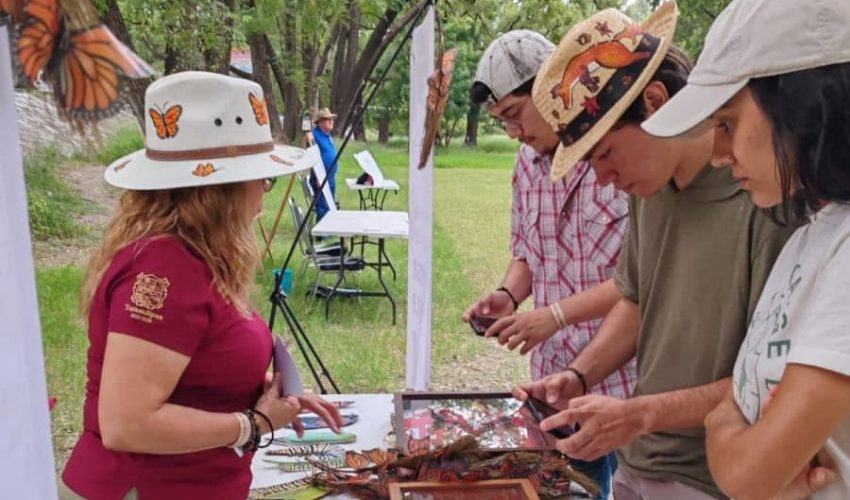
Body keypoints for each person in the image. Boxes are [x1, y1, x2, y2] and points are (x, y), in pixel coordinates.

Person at [511, 4, 796, 498]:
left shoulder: (763, 195)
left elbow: (775, 380)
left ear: (657, 102)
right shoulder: (651, 189)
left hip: (716, 476)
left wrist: (640, 412)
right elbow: (636, 299)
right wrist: (579, 376)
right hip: (639, 458)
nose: (600, 177)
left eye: (604, 152)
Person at [60, 72, 342, 499]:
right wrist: (254, 424)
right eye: (262, 178)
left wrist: (272, 391)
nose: (264, 195)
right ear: (219, 191)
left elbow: (194, 362)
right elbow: (126, 423)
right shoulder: (165, 270)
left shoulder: (192, 256)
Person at [642, 0, 850, 498]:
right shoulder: (810, 237)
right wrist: (733, 426)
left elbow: (747, 475)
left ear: (803, 105)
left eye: (727, 123)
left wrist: (727, 429)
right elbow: (735, 405)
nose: (717, 154)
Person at [463, 29, 634, 499]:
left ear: (552, 88)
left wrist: (553, 315)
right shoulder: (525, 165)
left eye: (515, 115)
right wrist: (507, 295)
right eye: (502, 121)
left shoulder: (617, 153)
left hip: (627, 381)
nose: (514, 132)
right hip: (556, 382)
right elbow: (529, 253)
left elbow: (638, 282)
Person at [311, 107, 339, 221]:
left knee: (330, 203)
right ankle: (321, 233)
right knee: (323, 204)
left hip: (330, 176)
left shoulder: (327, 135)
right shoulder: (315, 135)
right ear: (321, 122)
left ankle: (329, 227)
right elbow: (312, 156)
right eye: (328, 119)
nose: (331, 121)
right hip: (321, 177)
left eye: (332, 119)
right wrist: (318, 176)